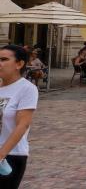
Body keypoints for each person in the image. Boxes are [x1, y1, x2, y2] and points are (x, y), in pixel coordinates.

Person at [0, 45, 38, 189]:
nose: (0, 63)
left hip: (11, 154)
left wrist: (1, 154)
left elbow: (23, 124)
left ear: (19, 64)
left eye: (4, 59)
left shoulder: (26, 88)